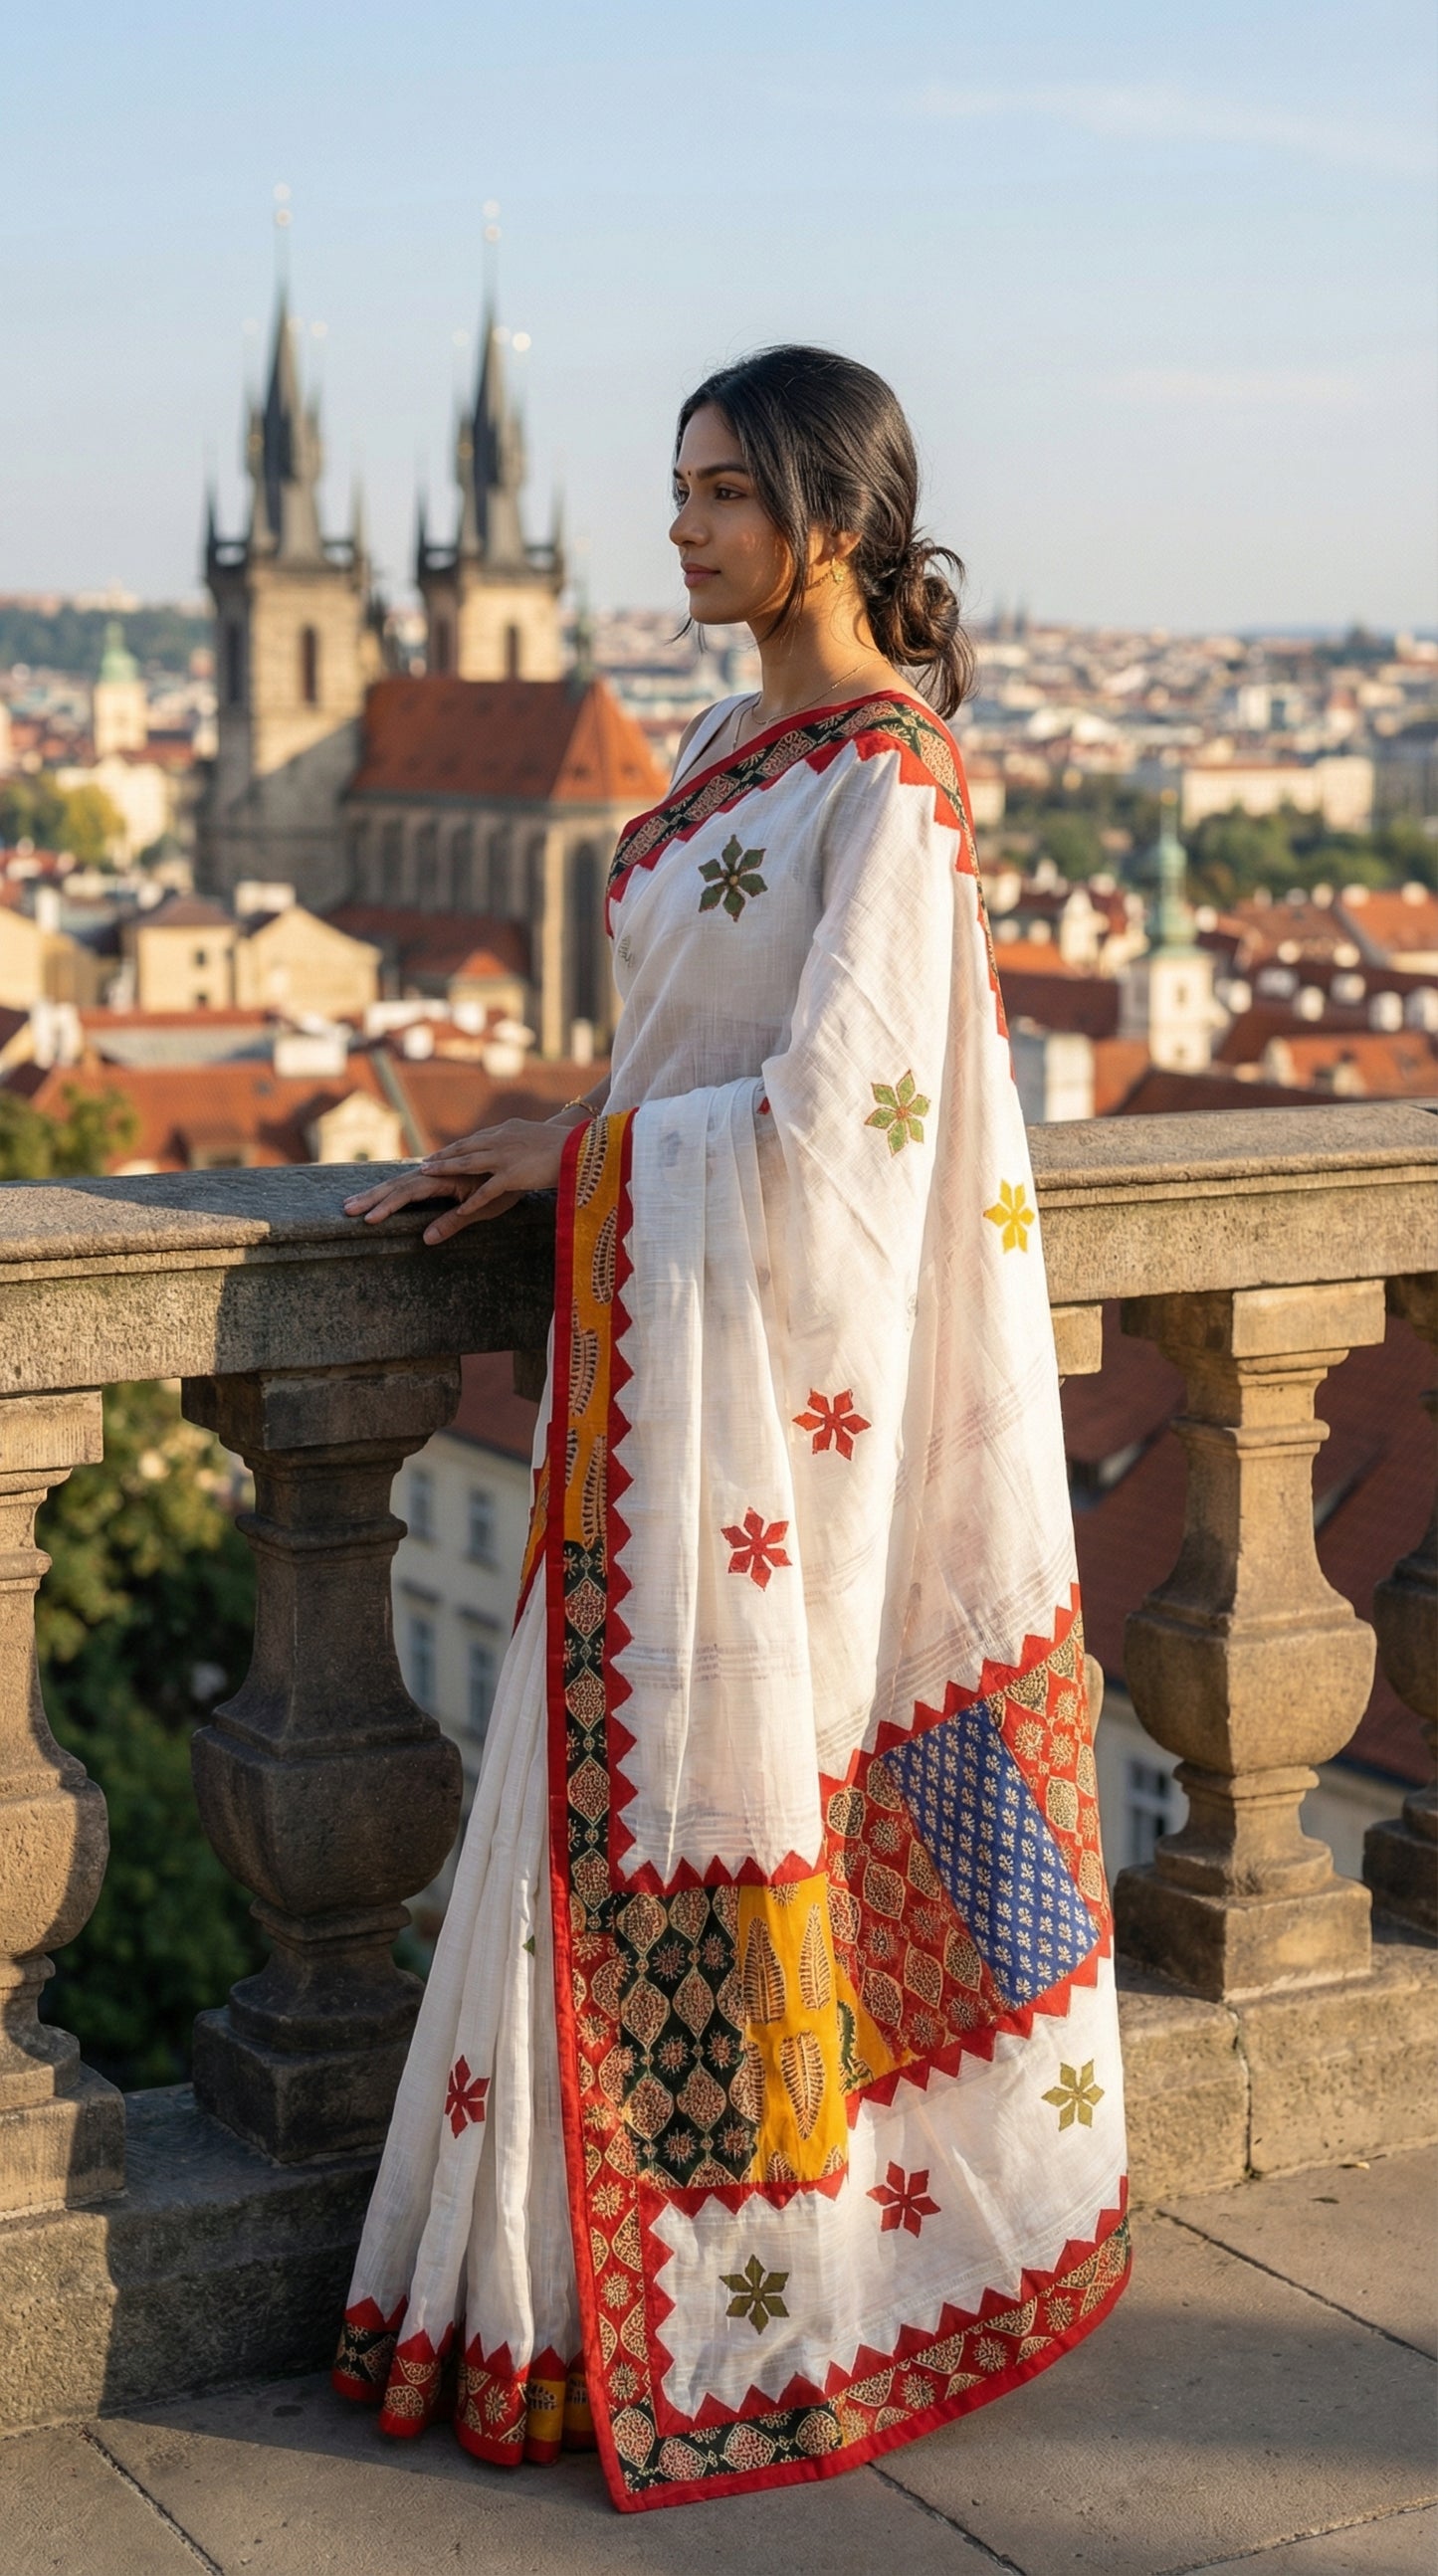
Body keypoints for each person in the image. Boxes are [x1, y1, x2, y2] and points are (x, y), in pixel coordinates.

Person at [333, 346, 1129, 2513]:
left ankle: (754, 2301)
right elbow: (699, 1053)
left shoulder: (893, 781)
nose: (675, 525)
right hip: (654, 1393)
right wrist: (563, 1131)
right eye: (672, 485)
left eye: (716, 492)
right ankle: (573, 2299)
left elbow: (833, 1157)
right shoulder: (710, 742)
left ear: (833, 520)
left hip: (784, 1428)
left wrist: (609, 1179)